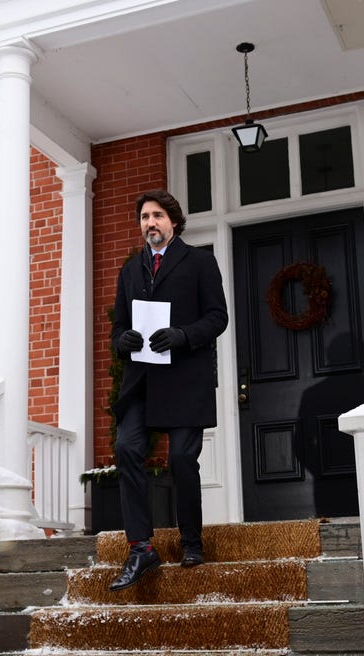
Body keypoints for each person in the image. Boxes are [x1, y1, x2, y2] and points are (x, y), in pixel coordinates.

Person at [108, 189, 228, 591]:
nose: (150, 223)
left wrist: (183, 335)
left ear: (173, 221)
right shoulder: (130, 270)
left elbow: (218, 317)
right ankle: (141, 547)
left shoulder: (200, 262)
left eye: (157, 215)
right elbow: (118, 326)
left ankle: (191, 542)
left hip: (185, 379)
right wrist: (122, 340)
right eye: (144, 217)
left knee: (181, 459)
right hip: (142, 381)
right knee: (127, 448)